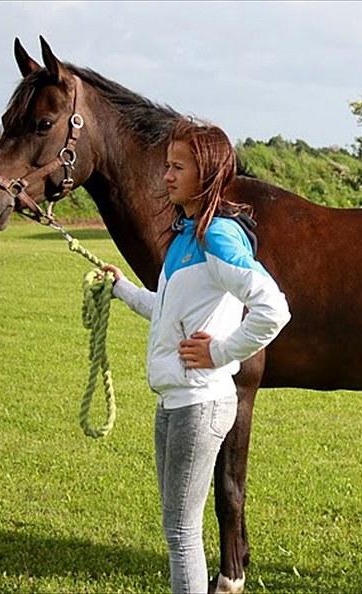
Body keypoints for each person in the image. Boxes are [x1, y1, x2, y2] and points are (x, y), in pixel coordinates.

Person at [101, 120, 290, 594]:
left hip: (200, 403)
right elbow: (164, 309)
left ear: (206, 173)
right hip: (173, 403)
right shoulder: (184, 238)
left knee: (182, 533)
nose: (166, 175)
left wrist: (222, 351)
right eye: (166, 165)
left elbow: (273, 308)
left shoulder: (219, 236)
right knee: (176, 529)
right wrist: (121, 288)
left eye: (178, 167)